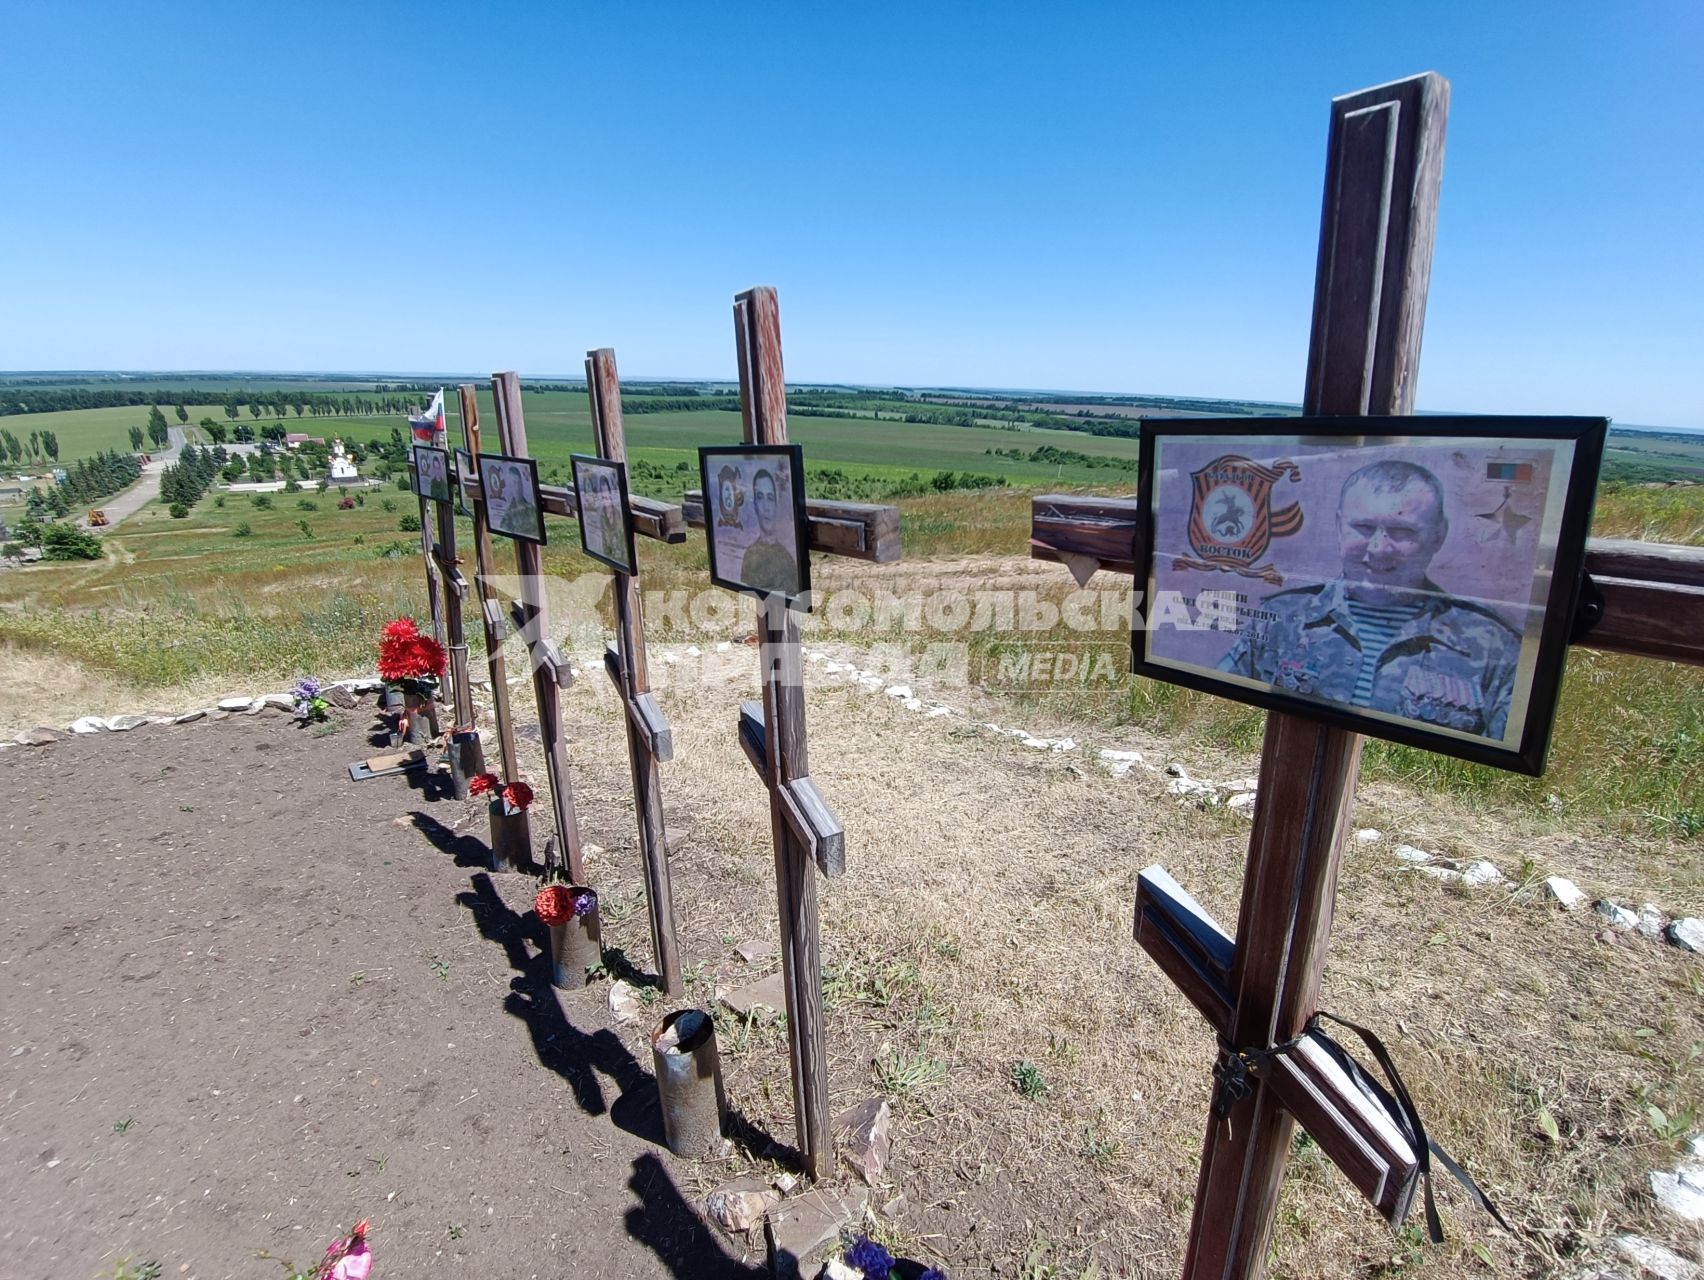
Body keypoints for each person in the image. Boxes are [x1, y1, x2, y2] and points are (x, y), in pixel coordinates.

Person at [1216, 459, 1522, 738]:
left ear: (1438, 535)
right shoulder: (1280, 618)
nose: (1378, 548)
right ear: (1338, 527)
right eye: (1363, 527)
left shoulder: (1495, 647)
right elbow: (1219, 705)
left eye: (1402, 531)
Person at [735, 467, 800, 596]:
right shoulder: (749, 555)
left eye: (770, 498)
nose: (766, 507)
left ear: (776, 504)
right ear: (755, 505)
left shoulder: (787, 560)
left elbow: (794, 600)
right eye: (760, 497)